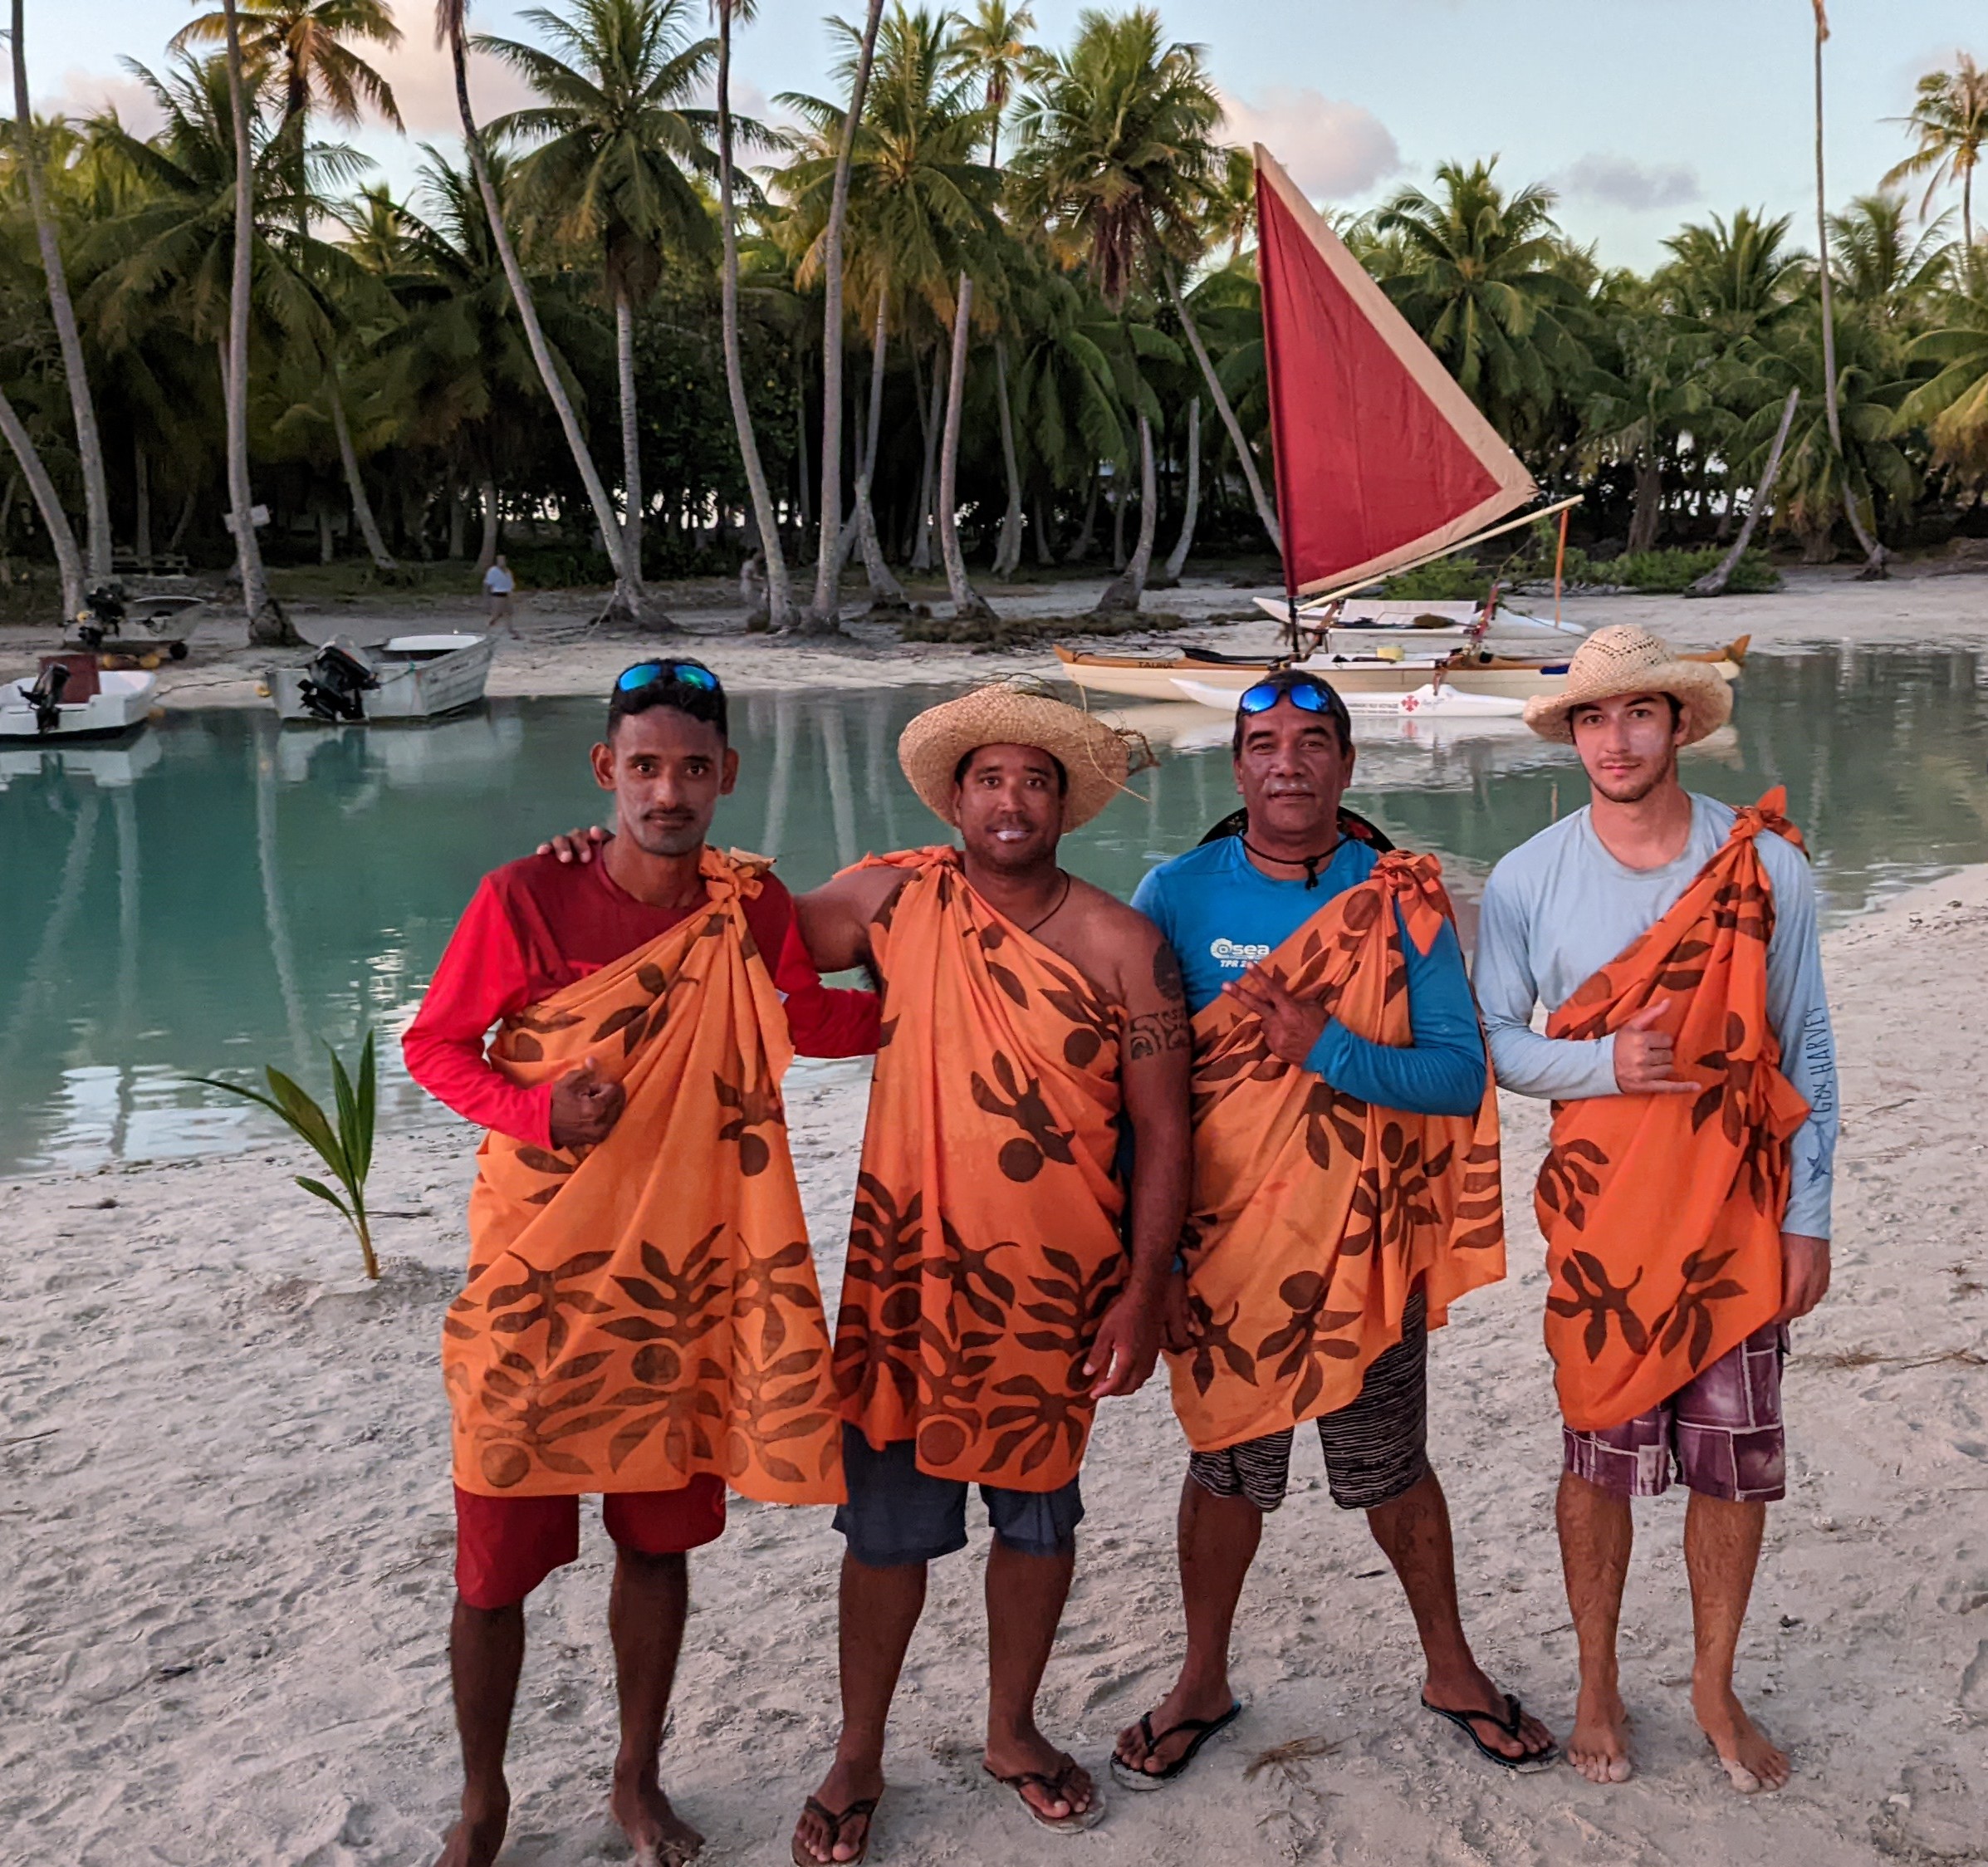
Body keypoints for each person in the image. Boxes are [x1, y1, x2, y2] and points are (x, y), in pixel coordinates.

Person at [404, 658, 879, 1867]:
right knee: (493, 1567)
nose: (669, 791)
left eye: (693, 768)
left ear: (728, 775)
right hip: (539, 1272)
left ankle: (636, 1778)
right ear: (605, 769)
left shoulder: (747, 906)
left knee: (656, 1544)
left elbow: (802, 1018)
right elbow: (437, 1046)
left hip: (685, 1275)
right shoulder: (525, 896)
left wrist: (946, 993)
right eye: (646, 766)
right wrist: (538, 1113)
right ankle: (481, 1802)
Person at [1110, 667, 1557, 1791]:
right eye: (1264, 745)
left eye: (1312, 745)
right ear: (1236, 768)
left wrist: (1322, 1046)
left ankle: (1451, 1669)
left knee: (1389, 1466)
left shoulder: (1397, 897)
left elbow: (1457, 1076)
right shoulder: (1173, 892)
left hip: (1366, 1247)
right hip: (1222, 1253)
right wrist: (1151, 1262)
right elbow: (1131, 1094)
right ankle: (1200, 1680)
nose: (1288, 764)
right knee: (1226, 1471)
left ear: (1347, 765)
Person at [786, 682, 1193, 1864]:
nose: (1010, 801)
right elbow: (748, 938)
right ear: (955, 798)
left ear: (1063, 804)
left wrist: (1142, 1291)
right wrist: (629, 860)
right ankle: (858, 1751)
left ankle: (1011, 1731)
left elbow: (1165, 1132)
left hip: (1056, 1288)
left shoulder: (1124, 945)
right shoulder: (895, 900)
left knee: (1037, 1521)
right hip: (905, 1276)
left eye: (1034, 781)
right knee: (883, 1535)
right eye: (989, 780)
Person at [1473, 625, 1838, 1794]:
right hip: (1603, 1225)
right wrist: (1604, 1067)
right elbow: (1495, 1043)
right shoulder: (1528, 877)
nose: (1615, 739)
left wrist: (1811, 1216)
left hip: (1739, 1208)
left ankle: (1713, 1685)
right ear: (1572, 736)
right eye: (1593, 717)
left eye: (1638, 713)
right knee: (1597, 1455)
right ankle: (1597, 1681)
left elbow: (1805, 1043)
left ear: (1679, 724)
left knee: (1734, 1467)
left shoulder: (1762, 865)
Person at [482, 554, 514, 630]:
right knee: (496, 614)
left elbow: (510, 583)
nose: (502, 562)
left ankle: (510, 628)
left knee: (508, 612)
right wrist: (487, 597)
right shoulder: (493, 571)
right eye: (500, 560)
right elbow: (488, 583)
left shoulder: (508, 571)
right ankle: (487, 626)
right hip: (498, 594)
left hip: (507, 593)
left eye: (503, 560)